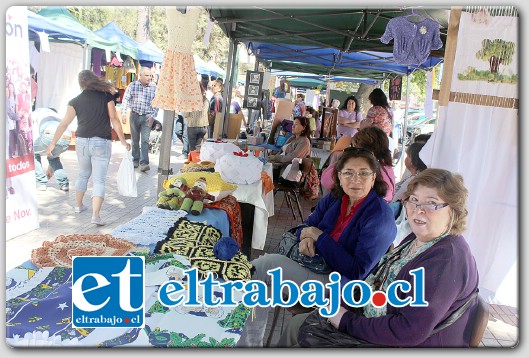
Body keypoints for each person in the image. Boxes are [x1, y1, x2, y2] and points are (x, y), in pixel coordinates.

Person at [279, 168, 478, 348]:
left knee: (299, 337)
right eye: (414, 200)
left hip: (397, 343)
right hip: (370, 321)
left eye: (432, 203)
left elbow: (408, 330)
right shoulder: (419, 239)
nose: (418, 210)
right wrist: (342, 303)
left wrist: (346, 319)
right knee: (296, 326)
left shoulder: (446, 259)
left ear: (453, 210)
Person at [238, 147, 397, 347]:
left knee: (262, 267)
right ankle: (249, 344)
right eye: (348, 173)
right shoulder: (337, 198)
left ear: (374, 178)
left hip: (341, 284)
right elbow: (308, 224)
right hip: (314, 265)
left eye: (363, 173)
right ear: (339, 175)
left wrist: (319, 237)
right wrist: (307, 237)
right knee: (262, 288)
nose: (355, 179)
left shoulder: (379, 216)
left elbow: (357, 271)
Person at [46, 70, 131, 226]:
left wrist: (52, 143)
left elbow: (64, 124)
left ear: (80, 84)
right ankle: (96, 216)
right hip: (102, 142)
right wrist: (123, 141)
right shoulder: (106, 96)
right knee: (99, 180)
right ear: (94, 80)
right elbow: (114, 119)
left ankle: (78, 206)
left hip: (82, 141)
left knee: (83, 174)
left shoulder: (75, 101)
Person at [321, 127, 396, 202]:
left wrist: (346, 159)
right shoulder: (386, 166)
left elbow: (326, 181)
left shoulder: (365, 166)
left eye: (354, 147)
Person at [120, 67, 158, 172]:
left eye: (150, 75)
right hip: (134, 115)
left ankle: (144, 163)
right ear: (140, 76)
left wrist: (153, 116)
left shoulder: (154, 88)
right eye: (146, 75)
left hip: (147, 117)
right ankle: (135, 159)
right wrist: (123, 113)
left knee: (145, 140)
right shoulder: (132, 86)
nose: (149, 78)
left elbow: (157, 103)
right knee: (135, 139)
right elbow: (126, 99)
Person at [32, 108, 71, 192]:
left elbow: (30, 130)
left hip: (49, 133)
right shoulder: (57, 115)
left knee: (33, 152)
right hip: (67, 138)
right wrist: (50, 168)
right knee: (54, 157)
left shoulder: (38, 111)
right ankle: (64, 184)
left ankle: (41, 182)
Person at [268, 116, 312, 181]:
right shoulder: (292, 138)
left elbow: (292, 158)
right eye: (293, 124)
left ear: (304, 127)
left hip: (289, 173)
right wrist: (273, 155)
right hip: (281, 166)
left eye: (296, 124)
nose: (293, 126)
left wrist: (275, 157)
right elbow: (282, 151)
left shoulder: (304, 142)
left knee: (263, 175)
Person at [185, 82, 210, 154]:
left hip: (192, 126)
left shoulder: (190, 100)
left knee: (192, 149)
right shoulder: (206, 100)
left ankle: (193, 163)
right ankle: (196, 162)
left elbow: (185, 114)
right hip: (203, 127)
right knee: (198, 148)